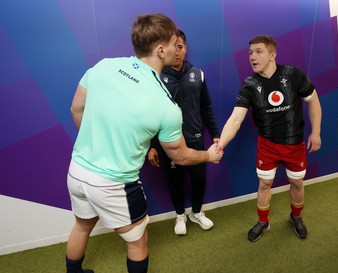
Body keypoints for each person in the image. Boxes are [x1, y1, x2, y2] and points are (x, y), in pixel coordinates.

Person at [66, 14, 223, 273]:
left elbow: (76, 108)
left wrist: (99, 143)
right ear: (161, 50)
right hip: (115, 183)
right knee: (138, 243)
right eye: (174, 43)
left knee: (82, 225)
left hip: (77, 171)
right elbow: (181, 157)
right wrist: (208, 156)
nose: (178, 48)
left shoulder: (103, 66)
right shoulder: (165, 105)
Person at [216, 35, 322, 242]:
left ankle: (296, 217)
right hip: (268, 145)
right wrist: (221, 144)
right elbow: (236, 119)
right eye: (250, 53)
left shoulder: (293, 74)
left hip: (294, 144)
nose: (252, 57)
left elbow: (314, 101)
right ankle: (263, 221)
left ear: (272, 55)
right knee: (264, 183)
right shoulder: (249, 84)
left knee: (297, 182)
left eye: (258, 52)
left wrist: (316, 131)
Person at [147, 30, 220, 235]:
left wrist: (215, 133)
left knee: (199, 179)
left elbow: (206, 107)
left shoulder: (198, 74)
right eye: (173, 47)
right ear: (164, 50)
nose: (177, 52)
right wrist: (151, 146)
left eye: (180, 47)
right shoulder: (157, 77)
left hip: (195, 139)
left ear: (185, 49)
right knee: (175, 182)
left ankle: (197, 212)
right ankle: (180, 215)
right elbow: (151, 114)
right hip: (168, 142)